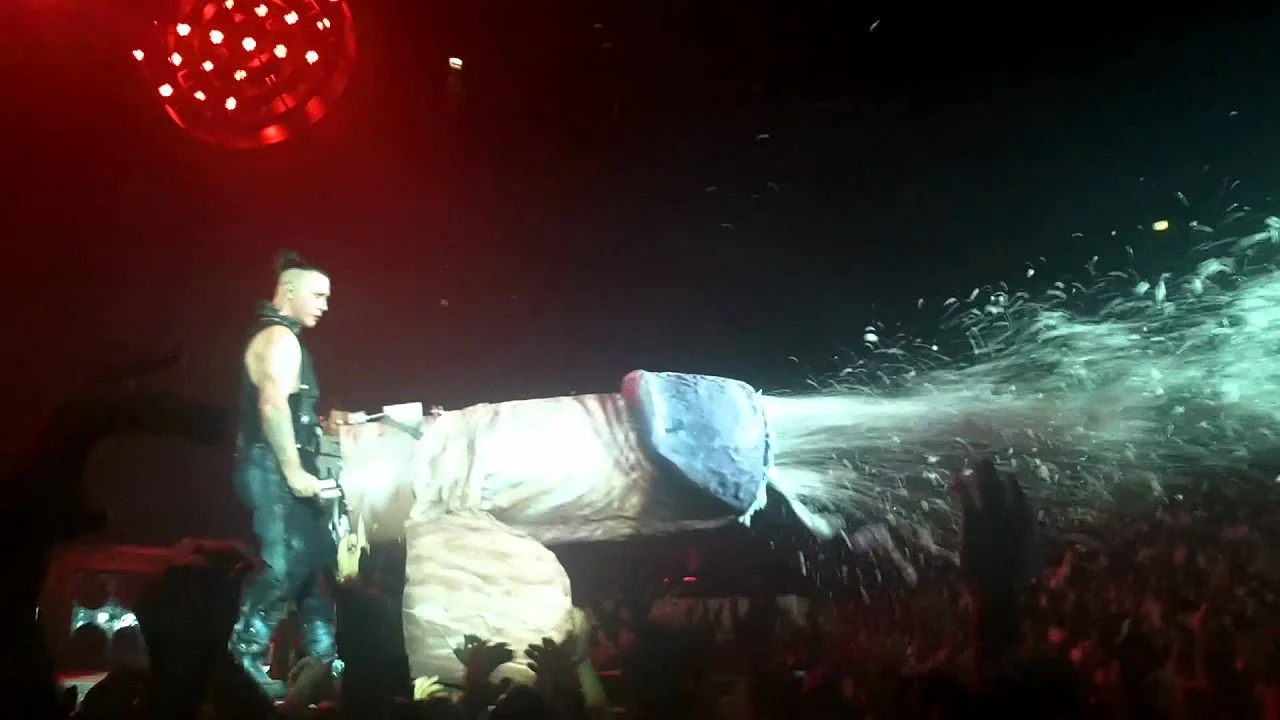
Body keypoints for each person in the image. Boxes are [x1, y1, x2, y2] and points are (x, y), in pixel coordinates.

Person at [229, 251, 342, 699]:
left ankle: (323, 662)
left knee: (315, 566)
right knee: (283, 564)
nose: (325, 305)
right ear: (289, 290)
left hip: (285, 465)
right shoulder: (278, 338)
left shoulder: (287, 339)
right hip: (271, 467)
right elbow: (272, 404)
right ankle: (241, 659)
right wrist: (294, 470)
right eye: (318, 295)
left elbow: (291, 411)